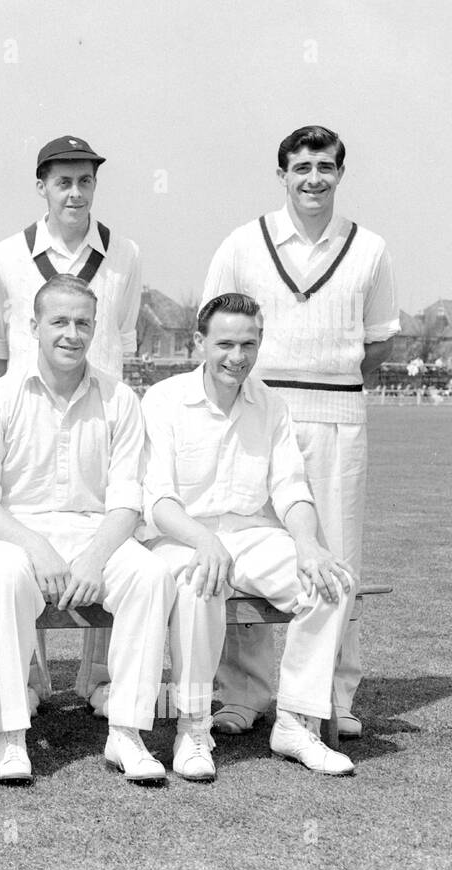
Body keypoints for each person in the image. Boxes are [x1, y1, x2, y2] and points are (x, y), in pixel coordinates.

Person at [201, 126, 397, 739]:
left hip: (338, 415)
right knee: (251, 545)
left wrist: (327, 384)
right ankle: (243, 692)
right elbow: (216, 329)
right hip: (258, 406)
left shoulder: (369, 248)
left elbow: (380, 341)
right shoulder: (242, 242)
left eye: (326, 167)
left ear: (341, 173)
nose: (314, 178)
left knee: (335, 555)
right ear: (281, 174)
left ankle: (333, 696)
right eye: (302, 166)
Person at [0, 275, 171, 784]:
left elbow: (128, 501)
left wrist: (93, 558)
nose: (71, 334)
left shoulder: (119, 398)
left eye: (82, 323)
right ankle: (11, 737)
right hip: (14, 535)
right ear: (34, 326)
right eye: (59, 321)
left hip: (96, 534)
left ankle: (127, 732)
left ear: (95, 328)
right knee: (8, 577)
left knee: (151, 576)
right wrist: (37, 547)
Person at [141, 292, 357, 778]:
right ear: (199, 343)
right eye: (225, 344)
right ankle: (194, 727)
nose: (237, 357)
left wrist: (308, 544)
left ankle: (295, 721)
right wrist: (202, 540)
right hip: (179, 535)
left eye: (249, 344)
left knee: (332, 581)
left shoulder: (271, 406)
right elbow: (157, 499)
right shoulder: (164, 399)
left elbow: (290, 488)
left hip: (251, 535)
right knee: (200, 581)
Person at [0, 134, 145, 719]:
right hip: (30, 415)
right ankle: (28, 676)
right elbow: (1, 347)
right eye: (63, 181)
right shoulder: (7, 253)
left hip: (100, 415)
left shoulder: (124, 252)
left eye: (85, 181)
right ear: (42, 186)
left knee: (108, 534)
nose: (74, 193)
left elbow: (121, 339)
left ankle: (100, 677)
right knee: (29, 540)